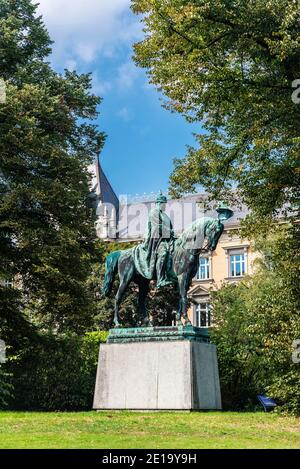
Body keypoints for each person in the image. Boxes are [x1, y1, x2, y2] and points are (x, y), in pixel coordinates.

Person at [133, 193, 177, 288]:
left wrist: (173, 235)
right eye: (163, 204)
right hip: (156, 240)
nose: (165, 205)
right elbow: (157, 227)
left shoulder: (165, 215)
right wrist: (170, 232)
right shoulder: (154, 212)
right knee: (163, 253)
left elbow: (170, 228)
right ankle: (160, 280)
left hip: (167, 239)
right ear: (158, 203)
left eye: (165, 204)